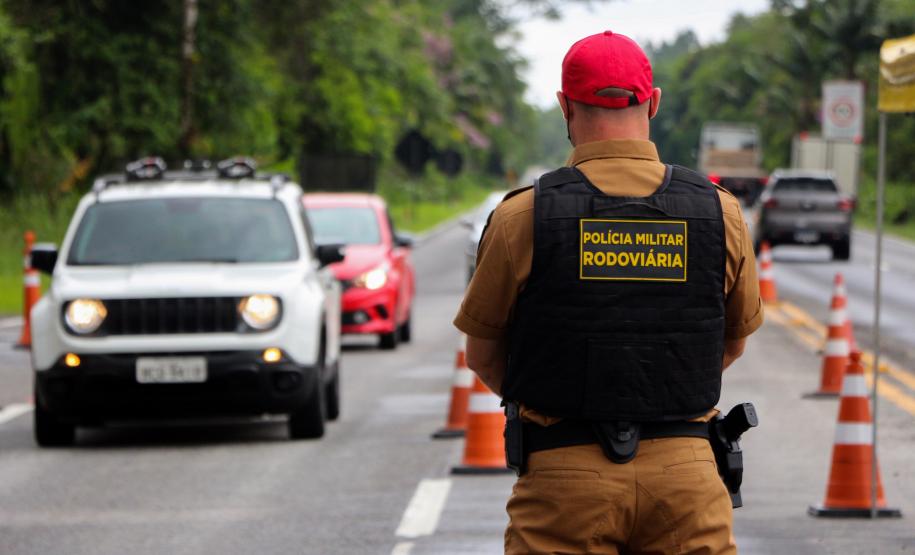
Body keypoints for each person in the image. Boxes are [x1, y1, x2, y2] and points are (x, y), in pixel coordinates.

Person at [453, 30, 763, 554]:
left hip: (563, 481)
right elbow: (731, 343)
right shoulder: (720, 211)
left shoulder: (523, 216)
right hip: (688, 480)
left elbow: (483, 355)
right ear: (654, 102)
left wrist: (566, 393)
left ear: (565, 106)